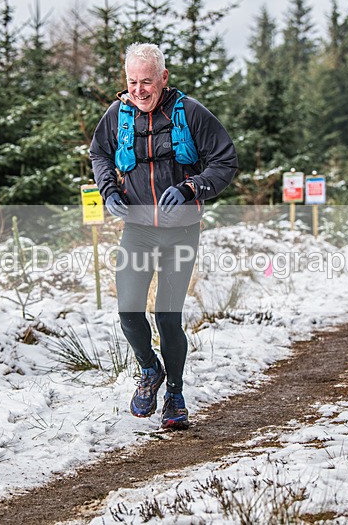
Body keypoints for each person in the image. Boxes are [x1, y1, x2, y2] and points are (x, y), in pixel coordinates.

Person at [90, 42, 237, 430]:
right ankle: (149, 369)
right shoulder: (117, 115)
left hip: (180, 232)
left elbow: (226, 160)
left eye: (147, 81)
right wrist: (108, 190)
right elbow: (99, 154)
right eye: (132, 82)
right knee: (128, 311)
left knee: (167, 317)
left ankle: (175, 394)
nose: (139, 90)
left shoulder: (190, 113)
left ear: (164, 78)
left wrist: (192, 188)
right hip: (137, 231)